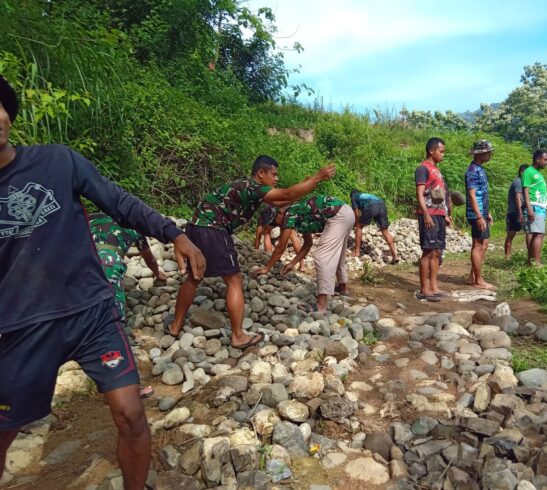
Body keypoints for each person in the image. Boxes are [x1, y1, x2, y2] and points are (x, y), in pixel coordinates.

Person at [0, 75, 206, 490]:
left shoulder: (57, 161)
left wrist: (174, 234)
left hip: (91, 313)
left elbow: (119, 201)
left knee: (131, 415)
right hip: (19, 328)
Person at [166, 156, 336, 348]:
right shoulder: (252, 186)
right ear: (260, 173)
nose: (276, 178)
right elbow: (286, 194)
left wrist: (308, 183)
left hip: (196, 226)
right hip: (213, 228)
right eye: (274, 174)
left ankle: (175, 326)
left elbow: (283, 200)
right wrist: (317, 178)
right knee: (234, 279)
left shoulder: (250, 189)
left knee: (195, 277)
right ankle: (238, 336)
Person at [89, 212, 169, 399]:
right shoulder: (133, 223)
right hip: (108, 266)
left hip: (80, 267)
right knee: (112, 327)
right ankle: (122, 389)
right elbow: (148, 257)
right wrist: (157, 273)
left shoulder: (91, 218)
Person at [252, 195, 354, 313]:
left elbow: (281, 247)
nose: (278, 225)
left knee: (322, 256)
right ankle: (342, 288)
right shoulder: (300, 212)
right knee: (339, 253)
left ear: (280, 213)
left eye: (275, 222)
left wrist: (266, 268)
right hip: (347, 212)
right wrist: (293, 263)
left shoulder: (290, 213)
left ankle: (321, 305)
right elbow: (308, 244)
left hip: (338, 215)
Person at [415, 137, 451, 302]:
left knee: (437, 251)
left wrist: (445, 213)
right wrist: (426, 214)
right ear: (431, 150)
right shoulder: (422, 168)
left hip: (439, 214)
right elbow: (420, 193)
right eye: (441, 151)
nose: (443, 154)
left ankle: (434, 286)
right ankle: (424, 289)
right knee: (428, 251)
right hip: (429, 214)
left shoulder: (436, 170)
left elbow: (437, 193)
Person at [465, 139, 495, 289]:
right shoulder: (472, 171)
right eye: (487, 152)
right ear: (479, 154)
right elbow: (472, 195)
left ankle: (473, 276)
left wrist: (486, 213)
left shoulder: (479, 169)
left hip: (482, 212)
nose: (490, 155)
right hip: (476, 214)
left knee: (484, 243)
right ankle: (479, 280)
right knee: (479, 245)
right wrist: (478, 216)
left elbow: (481, 194)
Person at [349, 189, 398, 263]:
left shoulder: (354, 197)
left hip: (371, 206)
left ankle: (356, 252)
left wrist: (356, 224)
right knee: (385, 231)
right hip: (382, 204)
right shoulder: (365, 195)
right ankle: (395, 256)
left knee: (359, 226)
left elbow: (356, 214)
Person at [254, 202, 305, 272]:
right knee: (293, 237)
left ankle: (269, 258)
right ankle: (302, 265)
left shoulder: (265, 210)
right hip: (286, 208)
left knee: (267, 233)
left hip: (274, 208)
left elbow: (258, 236)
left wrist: (255, 252)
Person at [522, 149, 547, 266]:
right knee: (538, 234)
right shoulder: (529, 172)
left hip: (540, 207)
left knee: (538, 234)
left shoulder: (538, 173)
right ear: (538, 159)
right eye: (545, 160)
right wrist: (529, 208)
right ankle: (536, 263)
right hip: (534, 207)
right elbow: (525, 191)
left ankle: (532, 261)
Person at [504, 164, 530, 259]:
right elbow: (517, 198)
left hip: (521, 211)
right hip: (515, 212)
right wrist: (520, 213)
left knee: (529, 233)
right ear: (522, 172)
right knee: (511, 235)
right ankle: (507, 257)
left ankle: (530, 256)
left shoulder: (523, 182)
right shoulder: (519, 182)